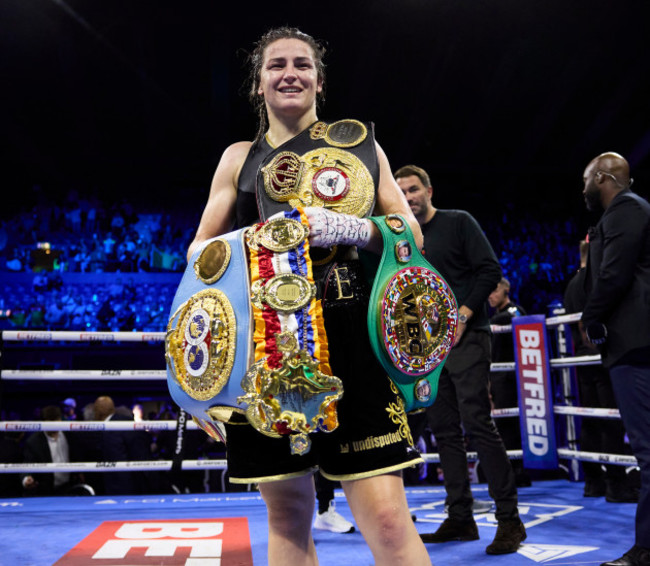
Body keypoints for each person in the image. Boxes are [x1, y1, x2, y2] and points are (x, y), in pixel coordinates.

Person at [186, 27, 430, 566]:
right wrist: (197, 383)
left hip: (350, 331)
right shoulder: (237, 158)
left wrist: (350, 230)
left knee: (388, 517)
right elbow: (200, 251)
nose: (289, 73)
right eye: (276, 66)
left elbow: (408, 233)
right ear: (258, 84)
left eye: (301, 64)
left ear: (319, 80)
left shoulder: (360, 145)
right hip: (264, 345)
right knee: (289, 518)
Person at [395, 164, 526, 555]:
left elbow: (490, 271)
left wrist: (462, 317)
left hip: (467, 338)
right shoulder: (402, 241)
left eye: (414, 189)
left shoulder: (458, 222)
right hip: (427, 349)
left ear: (429, 190)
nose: (408, 197)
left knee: (477, 423)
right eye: (401, 192)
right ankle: (461, 518)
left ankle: (510, 520)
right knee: (445, 432)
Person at [580, 152, 650, 566]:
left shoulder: (627, 209)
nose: (583, 187)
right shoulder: (633, 211)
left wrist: (592, 317)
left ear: (603, 177)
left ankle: (646, 549)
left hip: (635, 341)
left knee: (646, 449)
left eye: (586, 179)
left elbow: (614, 271)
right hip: (636, 340)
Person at [564, 239, 636, 502]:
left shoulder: (572, 285)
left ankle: (593, 481)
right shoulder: (594, 282)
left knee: (591, 419)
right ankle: (616, 484)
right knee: (608, 419)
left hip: (581, 360)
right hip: (599, 355)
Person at [488, 278, 531, 487]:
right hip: (497, 377)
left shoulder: (514, 311)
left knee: (511, 424)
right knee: (502, 424)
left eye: (494, 290)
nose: (491, 295)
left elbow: (517, 318)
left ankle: (518, 470)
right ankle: (508, 470)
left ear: (506, 289)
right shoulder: (495, 317)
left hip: (512, 378)